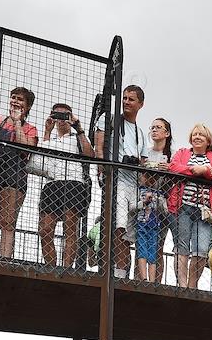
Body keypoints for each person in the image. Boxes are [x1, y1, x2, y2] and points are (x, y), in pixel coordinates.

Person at [95, 85, 149, 278]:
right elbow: (99, 148)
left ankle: (123, 272)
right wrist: (102, 171)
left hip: (133, 185)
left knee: (129, 234)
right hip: (115, 179)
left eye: (131, 99)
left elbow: (143, 166)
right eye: (124, 98)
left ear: (140, 104)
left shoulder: (141, 133)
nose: (126, 102)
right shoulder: (109, 119)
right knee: (118, 226)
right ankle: (114, 272)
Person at [0, 87, 38, 260]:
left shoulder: (30, 128)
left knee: (8, 222)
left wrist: (17, 122)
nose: (15, 101)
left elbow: (26, 148)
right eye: (13, 97)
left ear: (27, 106)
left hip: (14, 172)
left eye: (20, 99)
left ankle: (5, 260)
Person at [167, 123, 212, 290]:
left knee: (201, 250)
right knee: (182, 246)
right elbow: (174, 167)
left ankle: (192, 286)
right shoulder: (182, 153)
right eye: (195, 134)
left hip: (206, 211)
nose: (197, 137)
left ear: (208, 140)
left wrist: (205, 171)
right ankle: (183, 284)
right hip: (183, 206)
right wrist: (195, 170)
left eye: (201, 134)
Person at [37, 102, 96, 269]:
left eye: (65, 116)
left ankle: (66, 269)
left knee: (70, 227)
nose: (61, 119)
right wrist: (47, 131)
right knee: (45, 229)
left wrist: (79, 128)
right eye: (57, 115)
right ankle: (51, 267)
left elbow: (89, 155)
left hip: (74, 183)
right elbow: (43, 160)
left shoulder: (77, 137)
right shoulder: (51, 138)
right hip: (52, 183)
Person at [134, 117, 172, 282]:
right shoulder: (144, 153)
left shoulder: (171, 157)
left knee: (158, 245)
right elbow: (139, 179)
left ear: (167, 133)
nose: (154, 130)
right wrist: (147, 171)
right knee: (140, 241)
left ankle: (155, 282)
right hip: (144, 199)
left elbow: (172, 184)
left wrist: (170, 170)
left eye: (158, 127)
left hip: (162, 203)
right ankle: (140, 280)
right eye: (152, 127)